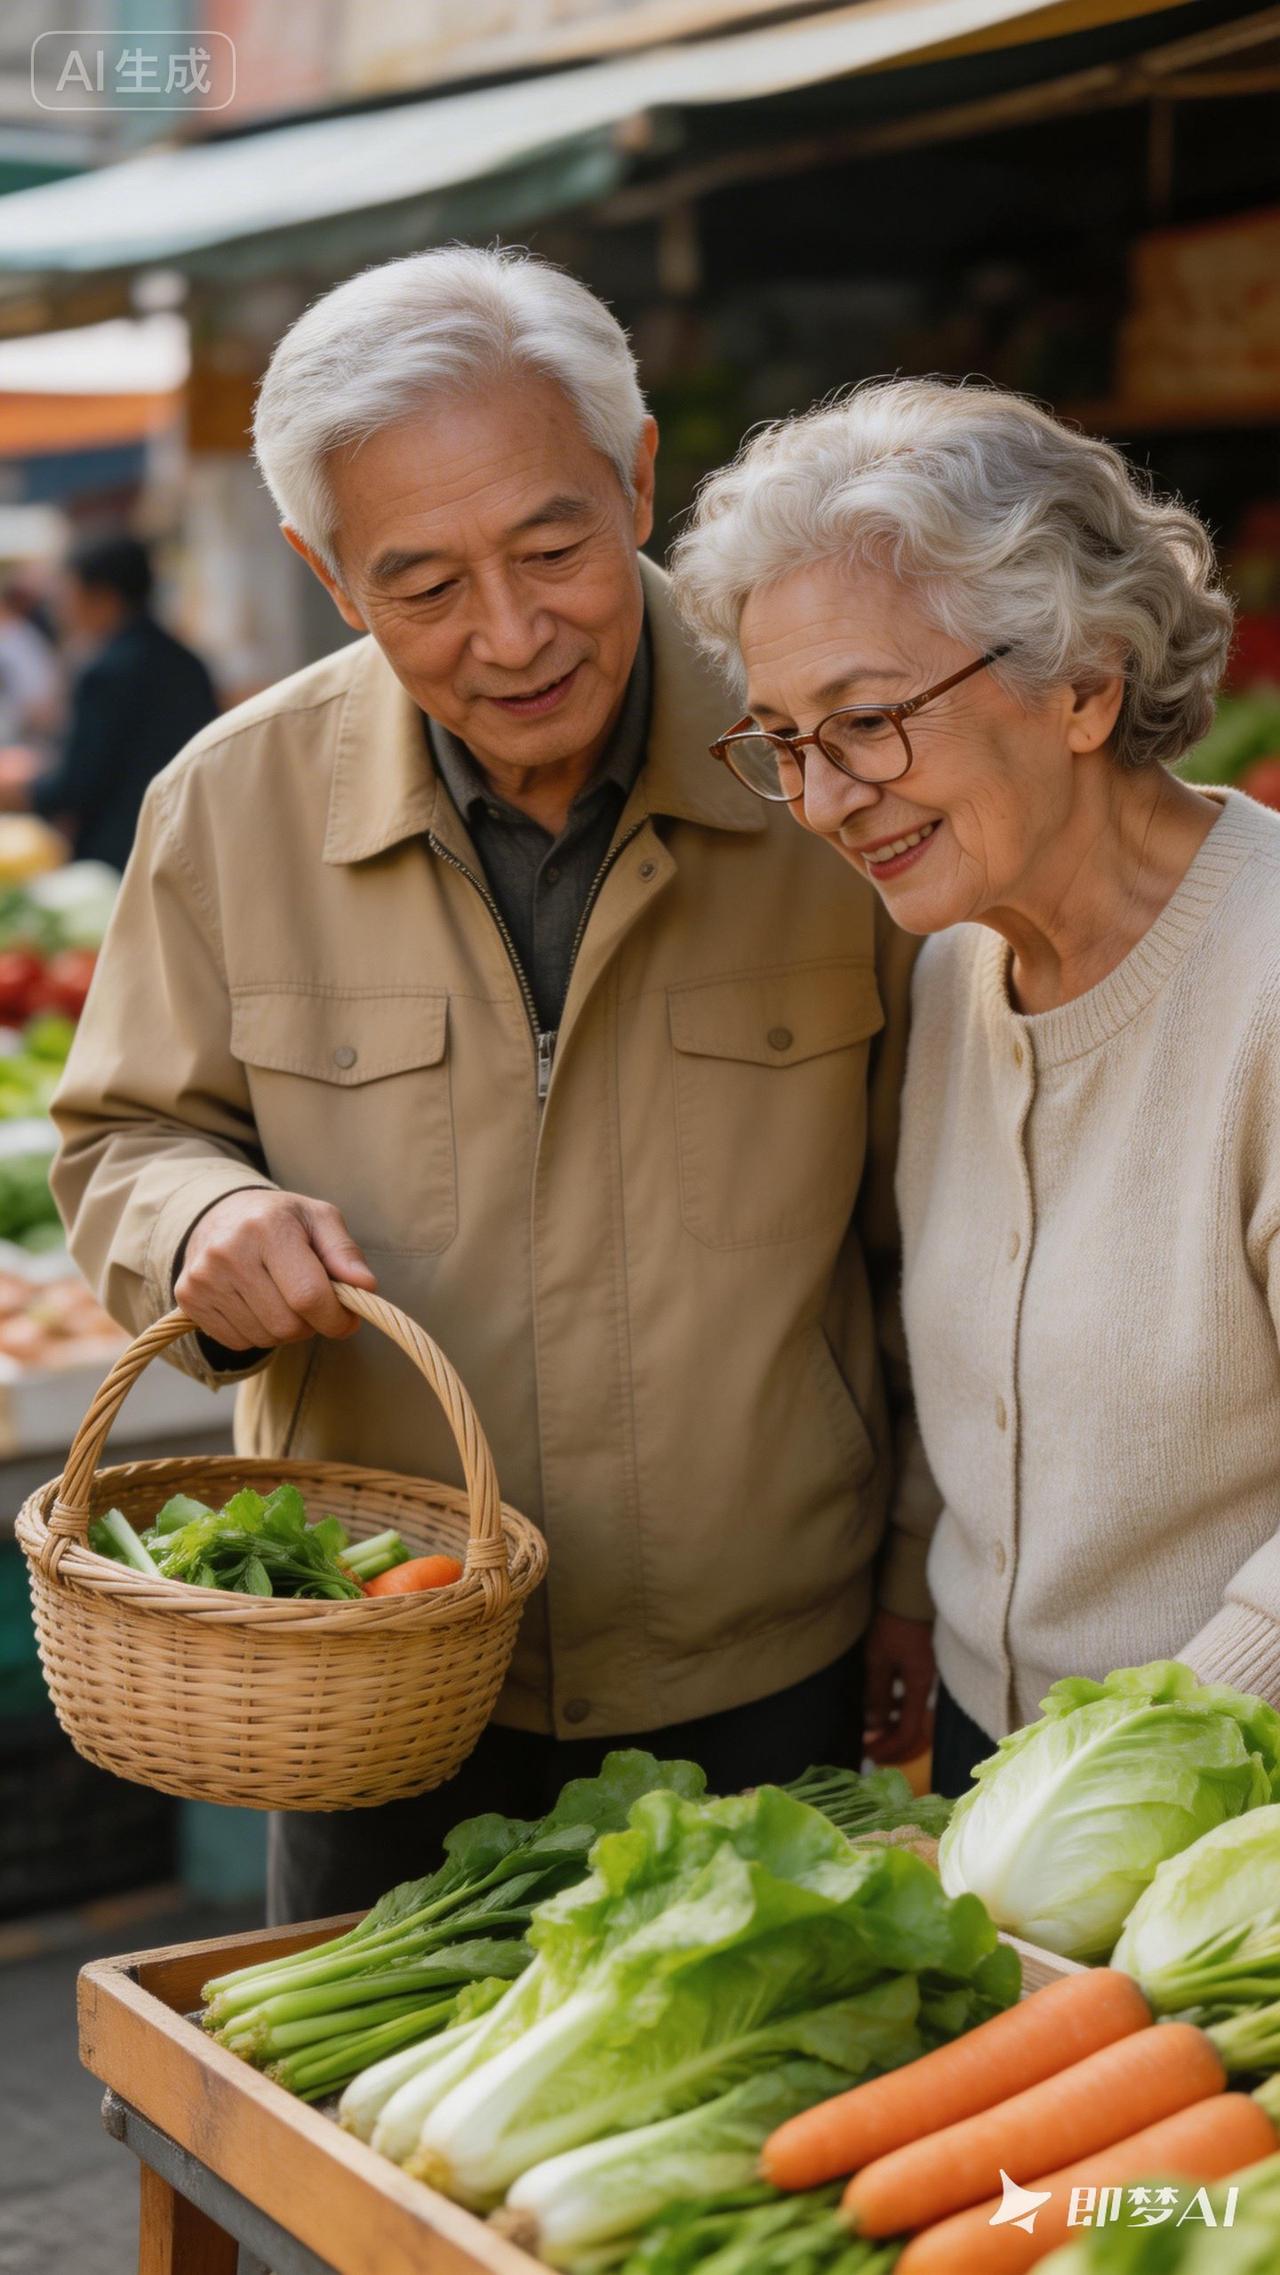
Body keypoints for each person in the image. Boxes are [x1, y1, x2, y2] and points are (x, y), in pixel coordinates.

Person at [51, 250, 937, 1922]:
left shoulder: (828, 770)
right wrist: (205, 1215)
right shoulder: (230, 806)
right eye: (426, 584)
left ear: (642, 481)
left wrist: (914, 1576)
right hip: (375, 1674)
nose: (515, 635)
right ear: (325, 575)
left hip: (761, 1668)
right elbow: (121, 1139)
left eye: (554, 548)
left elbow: (942, 1235)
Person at [671, 376, 1280, 1799]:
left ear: (1082, 683)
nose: (824, 799)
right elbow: (983, 1380)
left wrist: (1130, 1777)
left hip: (1219, 1809)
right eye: (784, 739)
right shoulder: (955, 963)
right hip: (1007, 1780)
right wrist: (929, 1615)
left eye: (868, 718)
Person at [0, 534, 218, 871]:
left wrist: (21, 785)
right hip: (192, 843)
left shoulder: (106, 672)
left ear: (102, 596)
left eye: (67, 590)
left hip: (121, 856)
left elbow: (75, 785)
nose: (59, 605)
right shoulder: (187, 661)